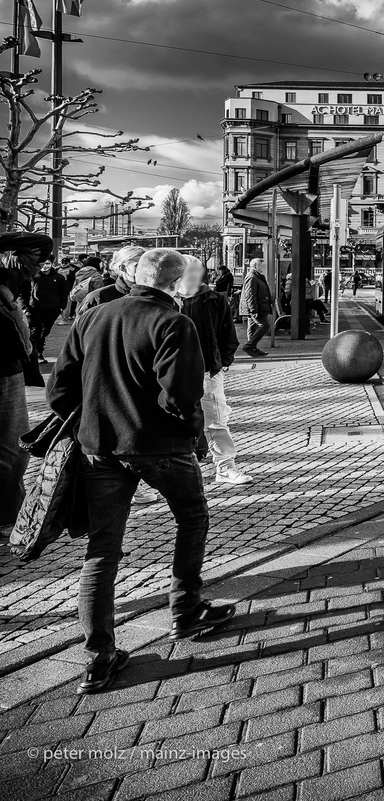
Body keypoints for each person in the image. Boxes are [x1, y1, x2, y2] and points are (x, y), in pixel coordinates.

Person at [48, 248, 237, 694]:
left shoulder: (94, 315)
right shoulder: (174, 322)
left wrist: (94, 416)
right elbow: (183, 394)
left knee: (103, 549)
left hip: (100, 447)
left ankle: (98, 657)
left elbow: (59, 390)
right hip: (160, 446)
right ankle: (185, 611)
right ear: (175, 284)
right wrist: (189, 431)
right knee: (192, 517)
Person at [176, 258, 250, 486]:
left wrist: (222, 362)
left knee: (216, 421)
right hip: (173, 372)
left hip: (208, 370)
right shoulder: (167, 300)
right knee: (171, 422)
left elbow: (227, 333)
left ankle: (225, 467)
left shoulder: (215, 299)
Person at [0, 232, 53, 532]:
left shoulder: (8, 276)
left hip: (8, 367)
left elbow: (42, 242)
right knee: (10, 447)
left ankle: (9, 516)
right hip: (5, 370)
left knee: (12, 449)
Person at [82, 245, 145, 313]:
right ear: (122, 268)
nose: (145, 270)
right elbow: (83, 322)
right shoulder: (99, 297)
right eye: (138, 266)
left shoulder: (154, 295)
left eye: (148, 265)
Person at [29, 257, 67, 361]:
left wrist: (62, 306)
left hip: (52, 309)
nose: (45, 266)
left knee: (45, 331)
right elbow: (24, 293)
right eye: (43, 263)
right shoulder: (33, 276)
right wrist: (25, 307)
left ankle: (39, 351)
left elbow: (64, 292)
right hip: (35, 308)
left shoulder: (59, 277)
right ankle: (35, 353)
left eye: (47, 263)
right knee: (35, 331)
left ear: (52, 264)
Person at [238, 258, 273, 357]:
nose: (264, 267)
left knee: (252, 327)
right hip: (256, 307)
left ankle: (252, 348)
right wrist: (253, 309)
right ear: (257, 266)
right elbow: (250, 294)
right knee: (264, 325)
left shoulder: (257, 276)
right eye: (262, 265)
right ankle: (249, 346)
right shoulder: (252, 277)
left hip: (258, 305)